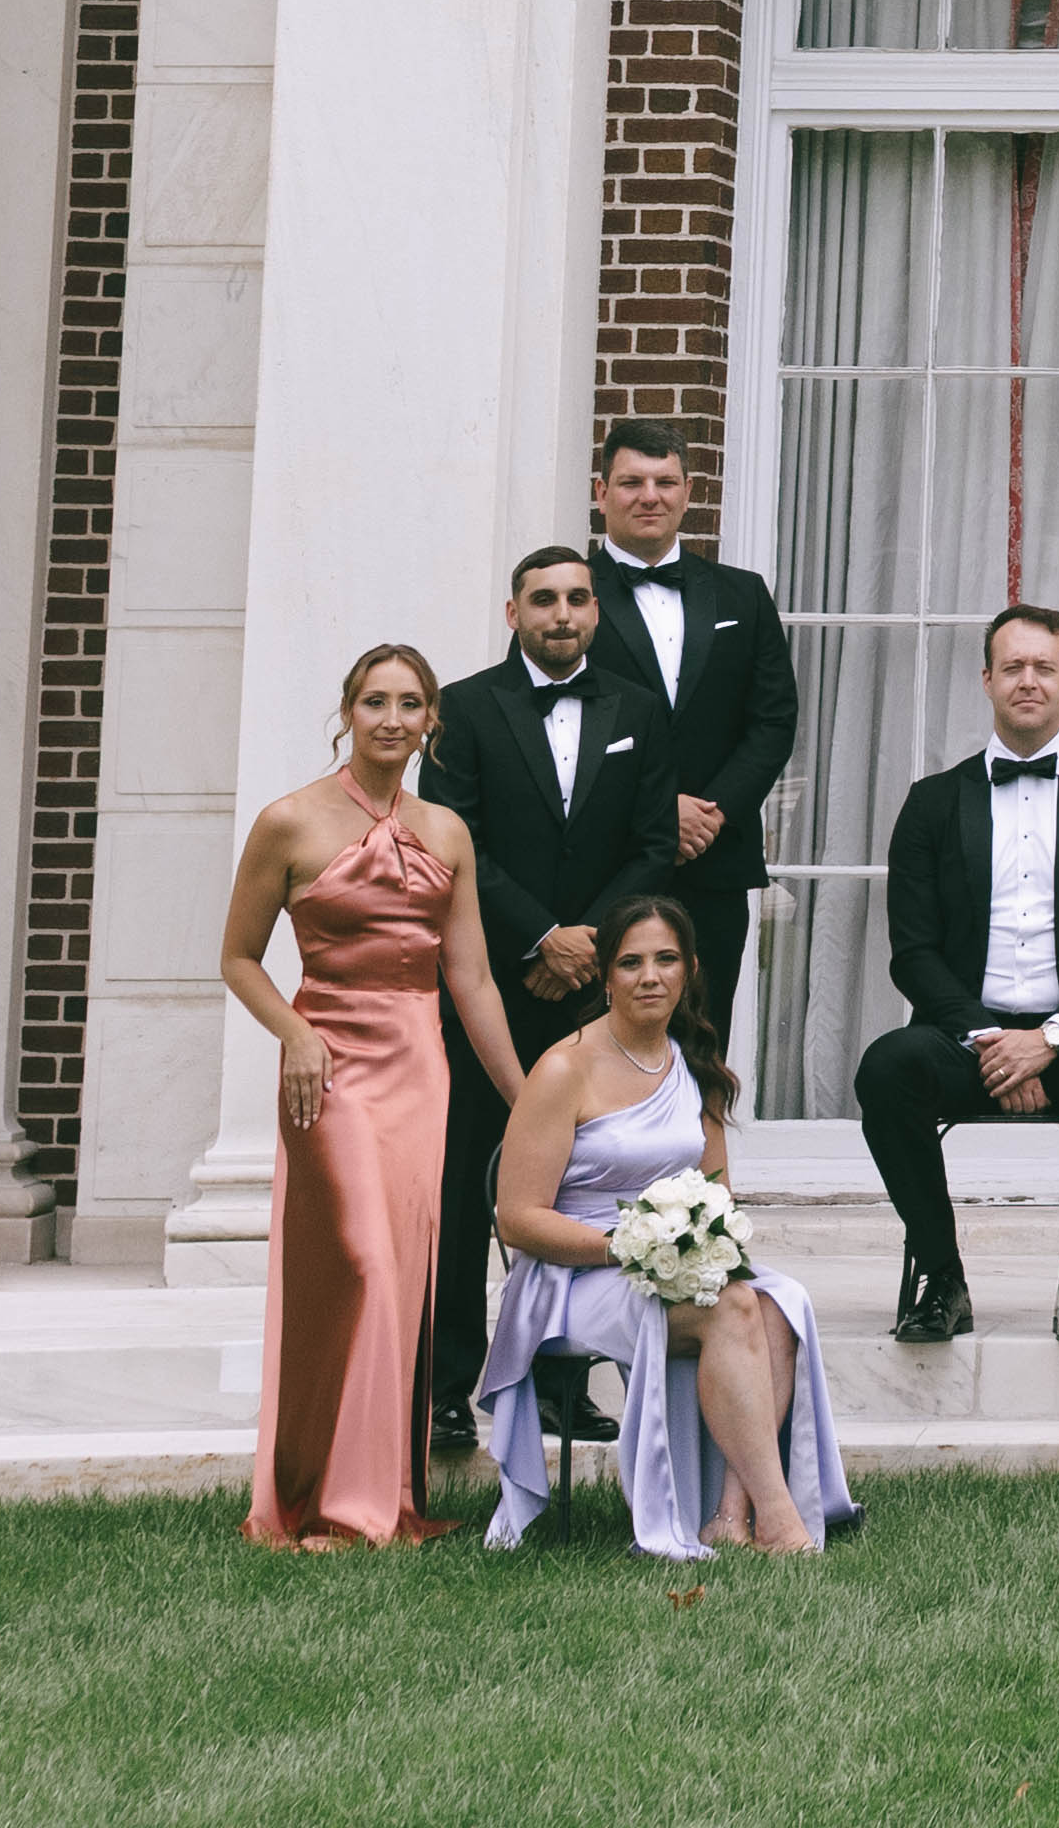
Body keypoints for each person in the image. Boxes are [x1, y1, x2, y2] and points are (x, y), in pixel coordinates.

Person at [222, 638, 527, 1547]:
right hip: (327, 1068)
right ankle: (325, 1502)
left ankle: (381, 1500)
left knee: (406, 1272)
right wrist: (297, 1032)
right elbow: (238, 959)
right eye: (375, 703)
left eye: (410, 705)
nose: (392, 720)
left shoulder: (447, 832)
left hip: (416, 1067)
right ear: (345, 714)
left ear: (431, 722)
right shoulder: (288, 821)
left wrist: (525, 1098)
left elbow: (470, 979)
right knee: (354, 1261)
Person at [476, 894, 853, 1559]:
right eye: (630, 963)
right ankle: (782, 1521)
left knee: (777, 1304)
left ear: (690, 971)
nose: (650, 976)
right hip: (571, 1280)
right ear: (605, 975)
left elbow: (718, 1198)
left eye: (666, 960)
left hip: (674, 1267)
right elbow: (519, 1218)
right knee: (735, 1305)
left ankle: (729, 1514)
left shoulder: (695, 1067)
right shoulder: (564, 1068)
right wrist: (629, 1247)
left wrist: (704, 1248)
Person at [414, 539, 666, 1477]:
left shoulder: (637, 710)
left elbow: (651, 843)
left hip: (593, 995)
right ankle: (446, 1389)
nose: (562, 615)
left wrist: (591, 943)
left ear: (595, 612)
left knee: (580, 1187)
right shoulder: (468, 710)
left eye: (577, 600)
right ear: (512, 612)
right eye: (543, 600)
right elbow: (456, 836)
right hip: (493, 983)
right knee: (462, 1184)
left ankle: (564, 1384)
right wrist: (538, 937)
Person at [852, 599, 1059, 1355]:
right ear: (986, 680)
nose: (1027, 681)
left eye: (1043, 667)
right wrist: (993, 1040)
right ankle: (942, 1277)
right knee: (885, 1069)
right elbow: (913, 952)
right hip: (966, 1039)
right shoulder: (932, 803)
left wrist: (1054, 1038)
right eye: (1013, 667)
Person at [581, 421, 800, 1065]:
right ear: (602, 491)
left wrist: (712, 811)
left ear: (688, 491)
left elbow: (773, 721)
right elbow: (558, 726)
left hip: (714, 858)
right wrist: (656, 814)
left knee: (704, 1044)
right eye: (631, 482)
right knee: (601, 1047)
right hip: (606, 864)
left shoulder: (742, 594)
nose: (650, 495)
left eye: (665, 482)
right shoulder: (567, 595)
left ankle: (701, 1169)